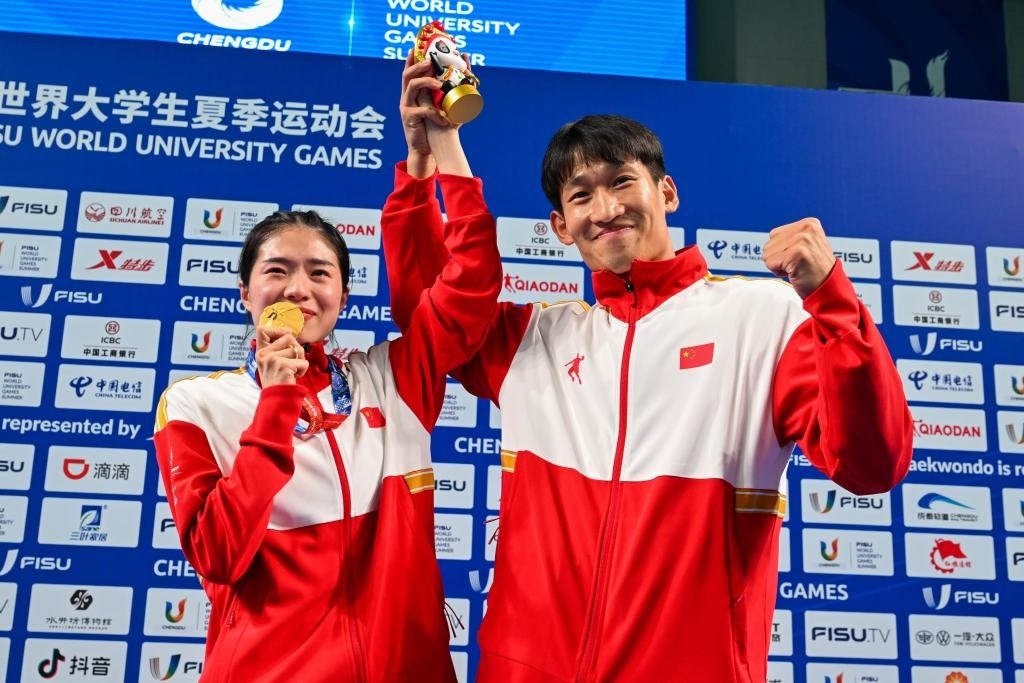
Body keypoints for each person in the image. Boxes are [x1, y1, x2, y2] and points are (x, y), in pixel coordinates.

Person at [386, 60, 914, 682]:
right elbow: (429, 310)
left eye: (622, 181)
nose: (606, 208)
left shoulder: (762, 319)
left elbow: (871, 464)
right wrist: (425, 160)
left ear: (667, 193)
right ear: (560, 227)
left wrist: (831, 297)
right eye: (581, 195)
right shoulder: (532, 339)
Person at [153, 126, 500, 680]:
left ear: (343, 296)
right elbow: (219, 555)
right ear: (245, 293)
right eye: (277, 271)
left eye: (319, 273)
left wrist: (429, 159)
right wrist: (276, 404)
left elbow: (467, 291)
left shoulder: (392, 378)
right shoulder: (197, 404)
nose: (298, 290)